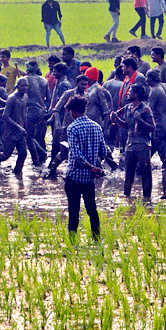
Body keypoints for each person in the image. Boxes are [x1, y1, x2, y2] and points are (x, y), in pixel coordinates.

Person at [64, 96, 105, 240]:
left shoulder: (72, 128)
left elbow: (76, 155)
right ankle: (97, 239)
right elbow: (103, 151)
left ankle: (72, 241)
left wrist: (90, 166)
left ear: (74, 112)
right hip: (89, 179)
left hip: (74, 177)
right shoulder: (96, 126)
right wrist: (95, 167)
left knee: (74, 211)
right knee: (92, 210)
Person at [113, 83, 154, 200]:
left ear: (136, 94)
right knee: (128, 174)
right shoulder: (127, 108)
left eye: (130, 91)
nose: (127, 93)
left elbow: (152, 128)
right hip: (130, 145)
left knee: (146, 173)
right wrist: (117, 119)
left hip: (143, 146)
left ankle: (147, 198)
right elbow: (126, 125)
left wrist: (140, 120)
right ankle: (127, 197)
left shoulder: (145, 110)